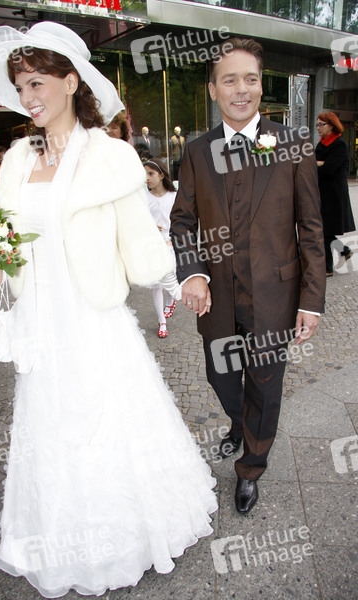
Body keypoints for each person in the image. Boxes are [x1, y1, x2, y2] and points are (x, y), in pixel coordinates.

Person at [0, 22, 217, 598]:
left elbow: (140, 241)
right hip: (39, 321)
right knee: (50, 428)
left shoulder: (110, 157)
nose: (28, 97)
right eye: (20, 87)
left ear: (70, 81)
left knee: (108, 425)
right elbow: (8, 239)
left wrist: (187, 280)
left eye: (36, 82)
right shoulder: (16, 161)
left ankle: (124, 537)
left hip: (93, 318)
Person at [170, 37, 326, 515]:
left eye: (251, 79)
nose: (242, 89)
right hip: (217, 298)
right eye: (230, 80)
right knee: (222, 377)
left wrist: (311, 300)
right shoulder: (197, 151)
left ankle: (251, 466)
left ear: (261, 86)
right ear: (213, 89)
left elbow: (311, 226)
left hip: (275, 296)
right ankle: (240, 423)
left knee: (265, 383)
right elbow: (182, 222)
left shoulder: (293, 144)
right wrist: (192, 273)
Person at [315, 112, 356, 277]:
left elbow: (328, 170)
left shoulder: (339, 144)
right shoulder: (322, 143)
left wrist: (319, 164)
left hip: (334, 194)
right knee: (324, 229)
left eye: (321, 124)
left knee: (325, 229)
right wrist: (318, 163)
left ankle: (328, 268)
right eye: (317, 124)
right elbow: (313, 164)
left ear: (331, 126)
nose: (318, 128)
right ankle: (344, 251)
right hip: (322, 192)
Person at [144, 158, 177, 338]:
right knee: (156, 285)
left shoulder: (174, 197)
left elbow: (181, 220)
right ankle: (161, 321)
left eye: (151, 173)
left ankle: (170, 302)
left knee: (171, 280)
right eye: (145, 174)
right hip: (153, 246)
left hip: (171, 244)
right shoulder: (144, 198)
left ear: (161, 175)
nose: (147, 178)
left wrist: (175, 240)